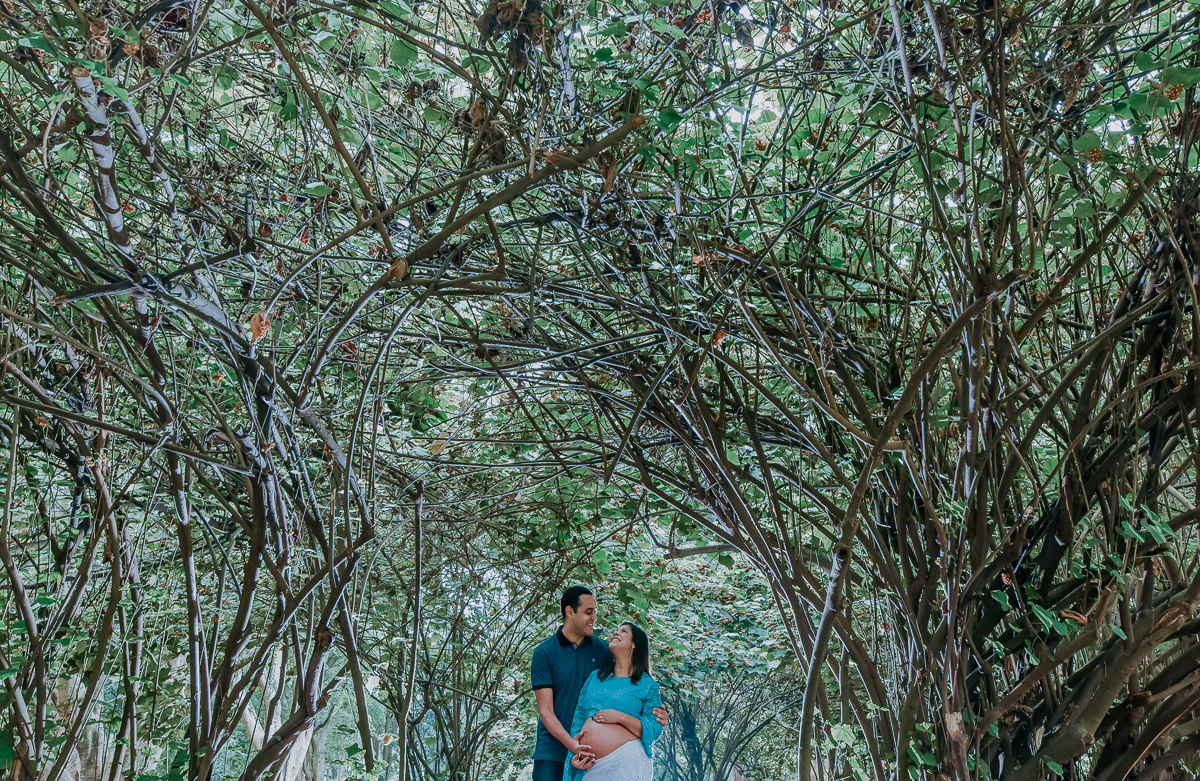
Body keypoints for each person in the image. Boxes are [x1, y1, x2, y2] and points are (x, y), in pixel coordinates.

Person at [530, 587, 667, 781]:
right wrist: (572, 746)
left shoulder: (604, 650)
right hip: (552, 749)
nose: (595, 617)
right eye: (588, 612)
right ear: (570, 612)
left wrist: (659, 714)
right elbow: (545, 711)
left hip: (597, 760)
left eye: (595, 611)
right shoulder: (544, 652)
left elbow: (631, 680)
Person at [564, 621, 661, 780]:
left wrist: (620, 717)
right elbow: (578, 720)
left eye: (623, 631)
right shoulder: (595, 677)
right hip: (591, 766)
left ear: (634, 645)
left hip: (627, 761)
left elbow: (654, 729)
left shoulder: (647, 684)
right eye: (615, 631)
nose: (616, 633)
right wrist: (575, 754)